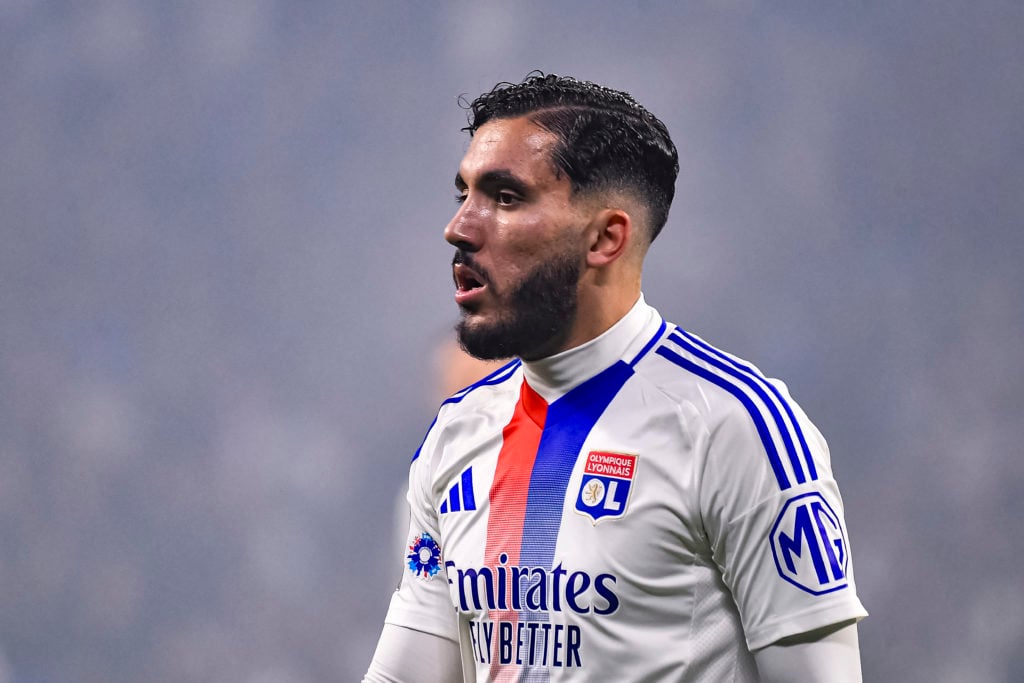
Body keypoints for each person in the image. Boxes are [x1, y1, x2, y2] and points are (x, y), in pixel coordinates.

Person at [363, 73, 867, 682]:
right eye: (463, 194)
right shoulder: (456, 435)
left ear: (606, 238)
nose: (461, 227)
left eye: (505, 197)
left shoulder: (735, 427)